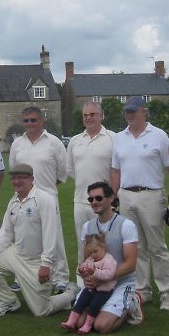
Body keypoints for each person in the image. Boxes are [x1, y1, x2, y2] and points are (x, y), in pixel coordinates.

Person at [0, 164, 77, 317]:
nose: (17, 182)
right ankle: (7, 301)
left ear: (31, 179)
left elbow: (52, 234)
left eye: (21, 178)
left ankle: (70, 294)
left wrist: (46, 264)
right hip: (17, 256)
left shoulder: (44, 199)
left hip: (37, 264)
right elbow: (6, 232)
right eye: (14, 178)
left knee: (41, 311)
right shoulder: (13, 202)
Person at [110, 96, 169, 311]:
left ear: (144, 112)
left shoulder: (158, 135)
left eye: (134, 111)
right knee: (135, 247)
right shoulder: (120, 138)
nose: (130, 115)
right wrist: (114, 197)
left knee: (157, 247)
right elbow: (115, 170)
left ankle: (166, 292)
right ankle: (142, 290)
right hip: (127, 195)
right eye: (127, 112)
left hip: (151, 195)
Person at [9, 106, 69, 293]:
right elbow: (14, 171)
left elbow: (62, 171)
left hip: (48, 197)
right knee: (24, 239)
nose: (29, 124)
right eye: (26, 120)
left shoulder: (54, 143)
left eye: (33, 120)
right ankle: (22, 276)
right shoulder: (17, 144)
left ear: (41, 121)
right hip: (24, 199)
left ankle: (60, 278)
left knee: (54, 238)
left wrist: (45, 191)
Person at [76, 182, 140, 333]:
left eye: (98, 198)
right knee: (79, 322)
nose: (94, 202)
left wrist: (102, 277)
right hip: (97, 285)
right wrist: (86, 274)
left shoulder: (126, 225)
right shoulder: (87, 227)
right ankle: (104, 308)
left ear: (111, 198)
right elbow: (86, 260)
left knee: (101, 326)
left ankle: (131, 305)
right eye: (91, 199)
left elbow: (131, 264)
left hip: (121, 283)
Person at [66, 102, 116, 265]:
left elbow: (117, 170)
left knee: (105, 245)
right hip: (80, 201)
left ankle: (106, 281)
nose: (88, 118)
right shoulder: (75, 141)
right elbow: (71, 169)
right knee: (84, 245)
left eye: (92, 114)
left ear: (101, 115)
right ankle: (84, 284)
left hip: (104, 202)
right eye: (85, 115)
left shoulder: (112, 138)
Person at [61, 232, 117, 334]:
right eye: (91, 252)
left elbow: (109, 274)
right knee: (81, 300)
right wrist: (81, 270)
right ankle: (71, 322)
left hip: (104, 290)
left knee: (94, 304)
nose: (93, 255)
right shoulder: (91, 259)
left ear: (104, 247)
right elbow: (82, 268)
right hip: (91, 288)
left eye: (95, 251)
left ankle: (87, 325)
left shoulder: (109, 260)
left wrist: (95, 272)